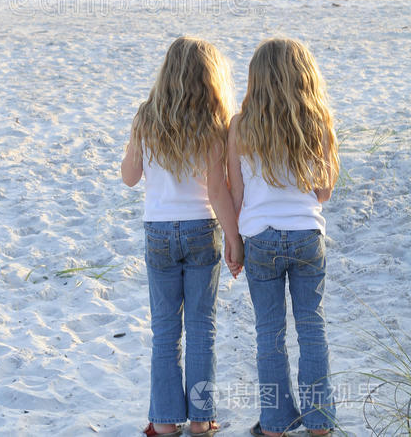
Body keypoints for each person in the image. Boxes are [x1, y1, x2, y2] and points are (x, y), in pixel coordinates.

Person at [121, 36, 244, 436]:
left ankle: (163, 421)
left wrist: (134, 144)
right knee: (202, 327)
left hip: (157, 230)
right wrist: (233, 236)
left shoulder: (146, 116)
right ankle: (201, 418)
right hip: (200, 229)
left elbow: (130, 177)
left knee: (165, 331)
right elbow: (215, 190)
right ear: (209, 78)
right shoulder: (213, 122)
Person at [227, 38, 339, 437]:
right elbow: (323, 192)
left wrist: (235, 242)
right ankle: (319, 423)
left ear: (256, 79)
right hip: (308, 234)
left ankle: (275, 424)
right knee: (312, 327)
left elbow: (237, 193)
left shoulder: (240, 124)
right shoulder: (317, 119)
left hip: (260, 238)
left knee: (269, 333)